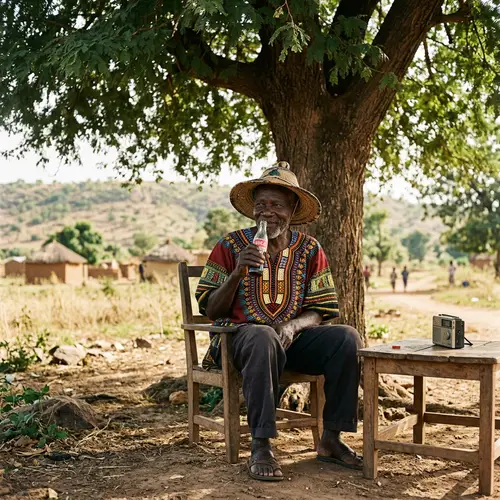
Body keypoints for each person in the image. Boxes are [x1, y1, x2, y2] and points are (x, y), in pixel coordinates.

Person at [196, 162, 363, 482]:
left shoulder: (310, 249)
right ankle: (261, 444)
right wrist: (236, 273)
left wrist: (293, 326)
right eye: (261, 205)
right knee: (261, 336)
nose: (267, 213)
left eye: (276, 205)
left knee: (347, 338)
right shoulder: (230, 246)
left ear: (292, 209)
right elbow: (209, 308)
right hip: (240, 341)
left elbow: (322, 308)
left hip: (291, 339)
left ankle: (331, 438)